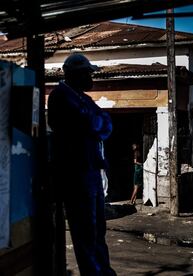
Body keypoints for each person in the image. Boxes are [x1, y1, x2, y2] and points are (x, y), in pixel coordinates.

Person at [48, 53, 116, 275]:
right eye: (88, 73)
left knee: (98, 231)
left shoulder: (83, 99)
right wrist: (91, 123)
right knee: (85, 233)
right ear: (76, 74)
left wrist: (91, 123)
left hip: (91, 173)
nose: (91, 77)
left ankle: (103, 271)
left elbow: (105, 125)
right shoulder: (60, 96)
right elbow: (93, 123)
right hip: (75, 176)